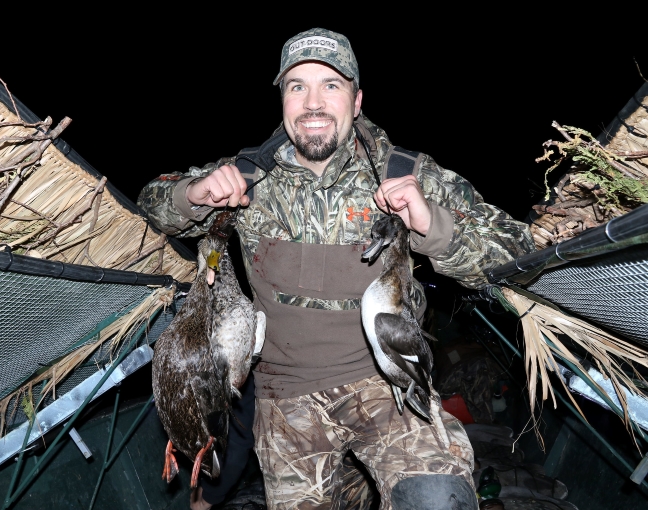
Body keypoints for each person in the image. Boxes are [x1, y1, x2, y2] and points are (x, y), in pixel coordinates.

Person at [140, 28, 534, 510]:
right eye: (297, 86)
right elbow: (152, 202)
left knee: (437, 498)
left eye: (331, 85)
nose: (313, 103)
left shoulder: (406, 172)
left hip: (388, 386)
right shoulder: (243, 177)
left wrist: (434, 226)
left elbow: (517, 250)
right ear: (282, 100)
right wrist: (192, 194)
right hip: (285, 401)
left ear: (358, 99)